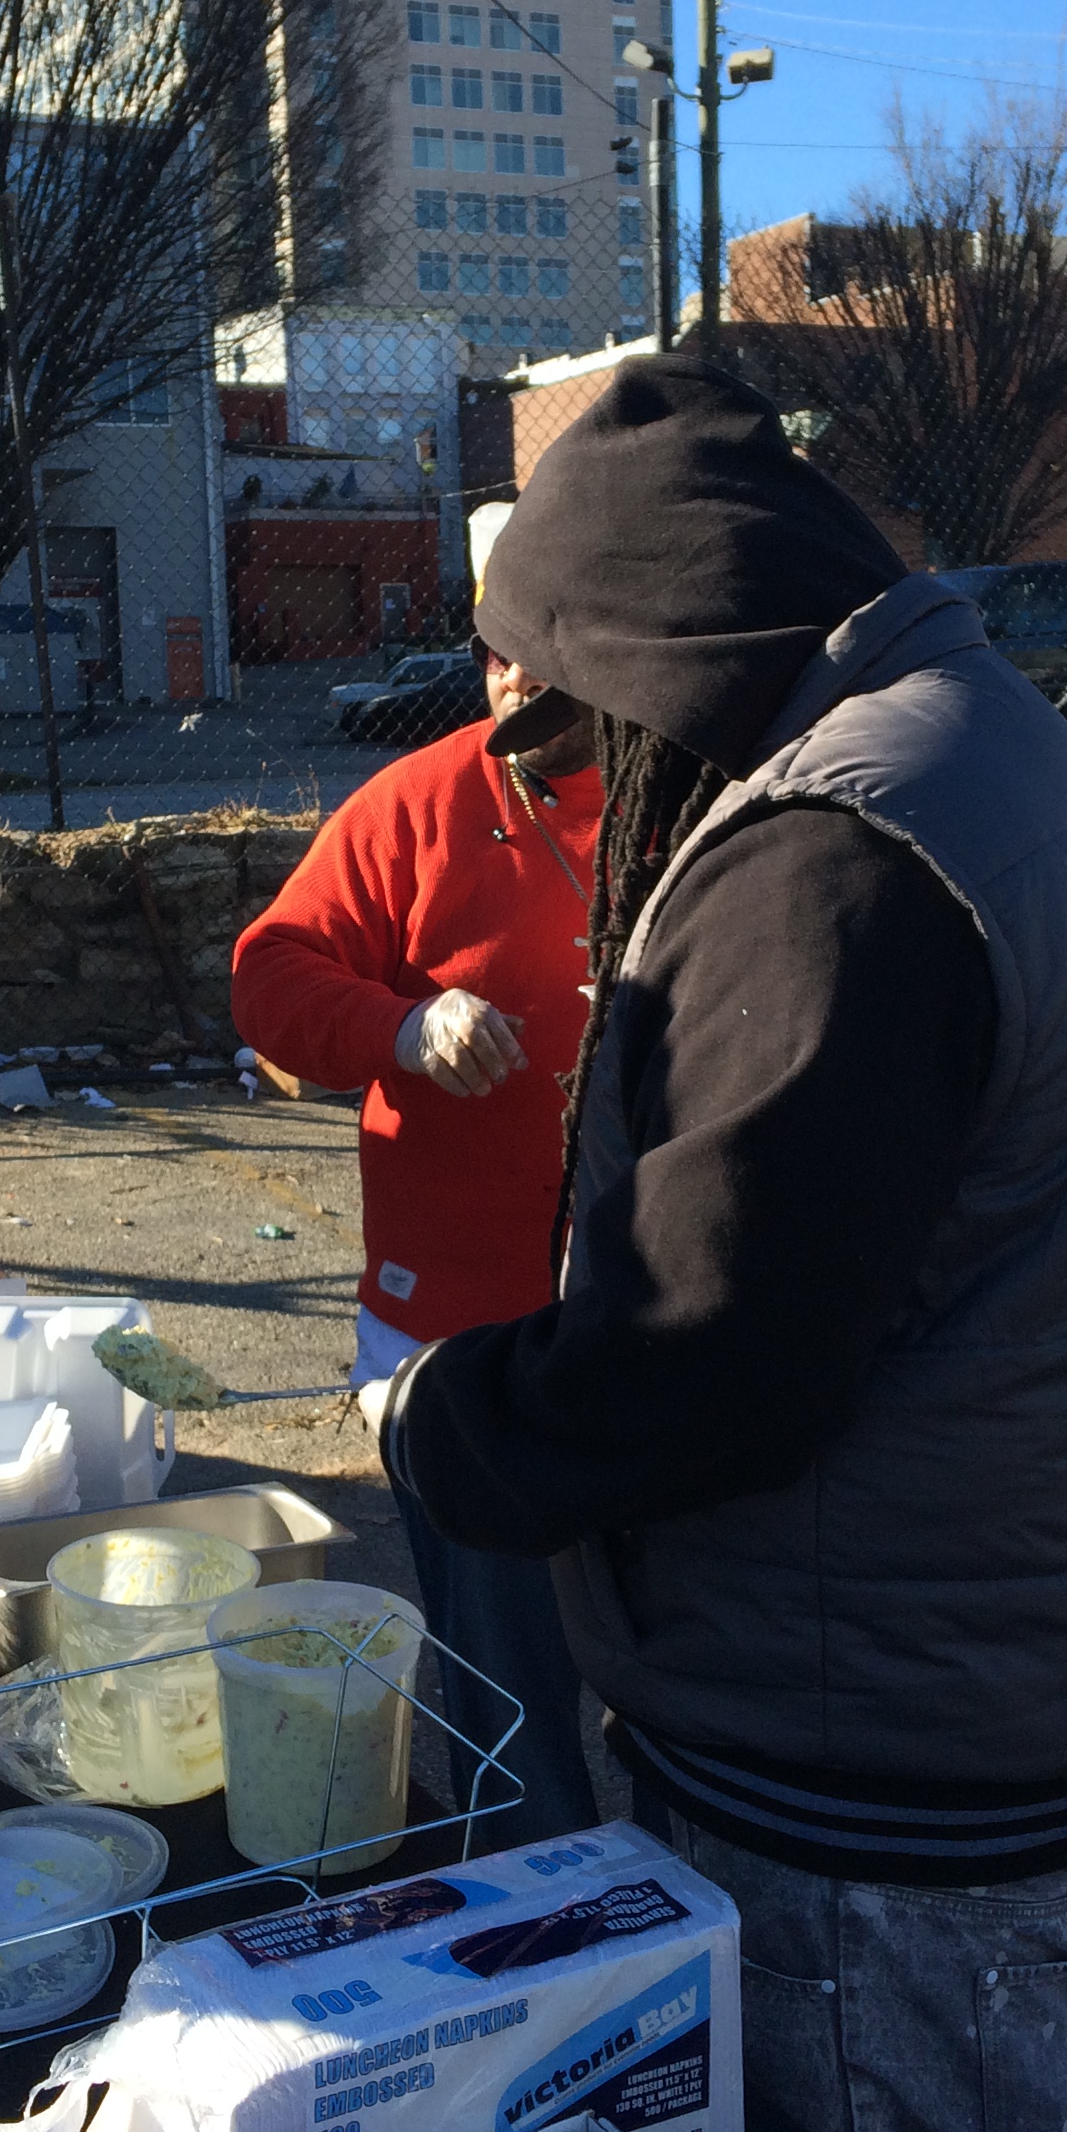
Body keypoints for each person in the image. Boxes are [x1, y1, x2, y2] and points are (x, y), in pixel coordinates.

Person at [371, 357, 1067, 2132]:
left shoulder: (834, 858)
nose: (593, 786)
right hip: (992, 1653)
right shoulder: (984, 750)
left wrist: (450, 1421)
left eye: (594, 730)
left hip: (878, 1733)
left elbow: (718, 1338)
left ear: (662, 662)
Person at [229, 509, 607, 1846]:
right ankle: (534, 1894)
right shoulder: (415, 805)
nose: (514, 677)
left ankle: (688, 1907)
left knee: (681, 1652)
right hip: (456, 1329)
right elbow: (270, 976)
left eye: (542, 644)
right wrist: (403, 1025)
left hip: (653, 1315)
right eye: (493, 646)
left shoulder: (689, 792)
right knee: (506, 1682)